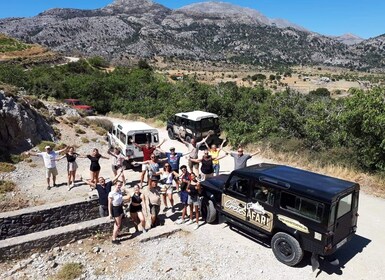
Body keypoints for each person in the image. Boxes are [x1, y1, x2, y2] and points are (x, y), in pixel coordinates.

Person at [108, 179, 126, 244]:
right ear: (115, 185)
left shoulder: (119, 191)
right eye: (118, 185)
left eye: (120, 185)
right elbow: (109, 204)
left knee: (118, 223)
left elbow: (121, 200)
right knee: (117, 224)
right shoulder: (111, 193)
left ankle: (116, 235)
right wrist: (110, 213)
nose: (119, 186)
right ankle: (114, 239)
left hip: (120, 207)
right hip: (115, 208)